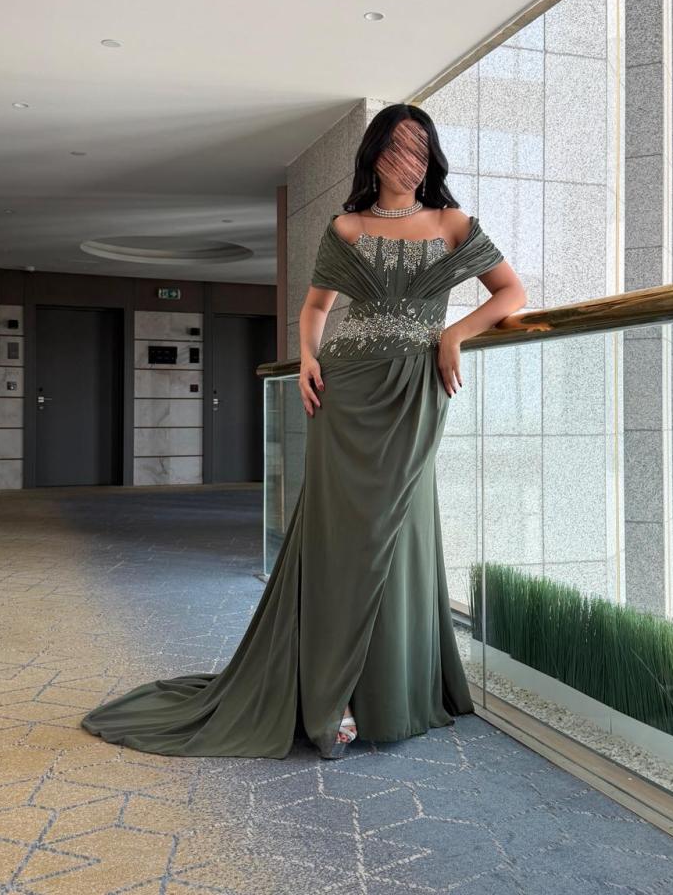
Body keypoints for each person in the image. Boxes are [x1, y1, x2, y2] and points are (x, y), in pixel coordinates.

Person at [80, 103, 526, 760]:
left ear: (431, 158)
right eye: (394, 147)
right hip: (347, 391)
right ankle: (332, 691)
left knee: (400, 526)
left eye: (418, 148)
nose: (406, 160)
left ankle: (394, 688)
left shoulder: (453, 223)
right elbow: (316, 306)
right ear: (373, 155)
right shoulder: (347, 227)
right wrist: (310, 359)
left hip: (414, 390)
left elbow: (511, 292)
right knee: (340, 535)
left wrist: (454, 334)